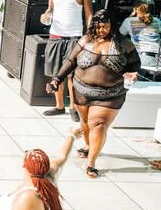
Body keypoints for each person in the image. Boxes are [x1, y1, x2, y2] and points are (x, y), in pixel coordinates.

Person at [48, 9, 140, 178]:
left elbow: (135, 64)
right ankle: (89, 146)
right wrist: (57, 80)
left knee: (97, 124)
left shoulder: (125, 44)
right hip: (81, 90)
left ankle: (91, 163)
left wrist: (133, 73)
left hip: (110, 94)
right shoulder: (86, 40)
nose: (101, 30)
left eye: (105, 26)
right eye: (98, 27)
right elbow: (71, 61)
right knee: (85, 123)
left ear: (113, 25)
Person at [42, 0, 93, 120]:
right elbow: (50, 8)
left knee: (71, 74)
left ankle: (73, 107)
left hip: (74, 36)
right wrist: (46, 14)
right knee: (55, 72)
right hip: (55, 35)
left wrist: (89, 35)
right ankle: (59, 106)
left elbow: (89, 13)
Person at [119, 2, 161, 70]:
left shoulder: (129, 21)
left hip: (139, 58)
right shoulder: (157, 21)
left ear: (135, 9)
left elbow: (119, 35)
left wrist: (131, 16)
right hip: (156, 60)